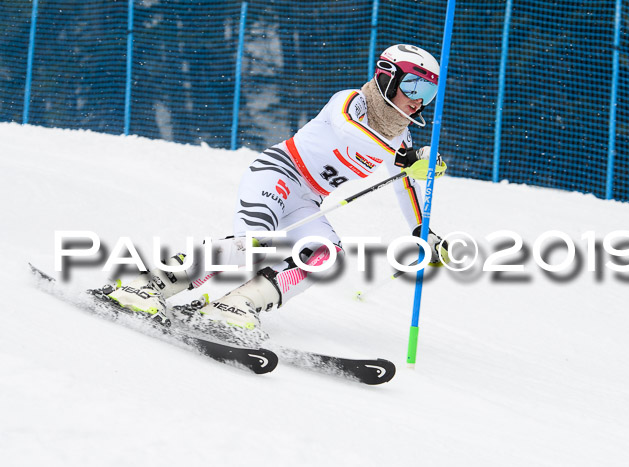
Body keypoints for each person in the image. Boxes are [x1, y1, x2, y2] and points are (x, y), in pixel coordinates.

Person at [105, 44, 449, 345]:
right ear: (388, 77)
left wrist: (422, 230)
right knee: (254, 247)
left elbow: (405, 182)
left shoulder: (399, 137)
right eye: (414, 85)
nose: (420, 99)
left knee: (326, 255)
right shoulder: (351, 102)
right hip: (278, 173)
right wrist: (404, 158)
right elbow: (348, 129)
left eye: (429, 93)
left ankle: (237, 305)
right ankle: (146, 285)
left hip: (306, 199)